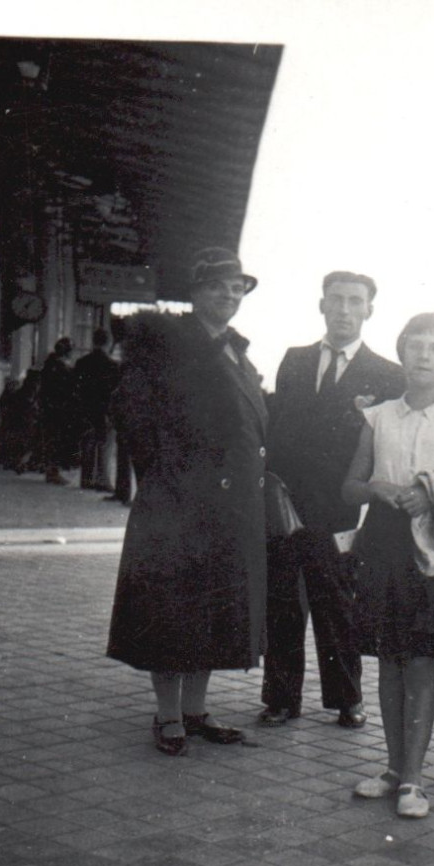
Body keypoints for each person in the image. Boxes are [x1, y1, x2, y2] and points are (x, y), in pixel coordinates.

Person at [106, 248, 268, 755]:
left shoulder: (234, 351)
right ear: (196, 292)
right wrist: (167, 476)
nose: (229, 295)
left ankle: (195, 711)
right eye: (218, 286)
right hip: (178, 503)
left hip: (227, 506)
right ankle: (169, 715)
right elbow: (132, 412)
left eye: (237, 287)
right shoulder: (169, 344)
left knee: (212, 608)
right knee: (171, 608)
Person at [342, 313, 434, 817]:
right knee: (387, 662)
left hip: (433, 552)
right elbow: (350, 485)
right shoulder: (378, 416)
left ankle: (413, 780)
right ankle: (391, 767)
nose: (424, 355)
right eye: (415, 345)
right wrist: (377, 489)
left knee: (420, 664)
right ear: (402, 353)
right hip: (383, 544)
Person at [260, 271, 405, 729]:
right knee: (282, 600)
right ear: (321, 305)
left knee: (338, 604)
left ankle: (347, 698)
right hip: (286, 504)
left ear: (369, 310)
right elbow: (278, 427)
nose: (344, 309)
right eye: (336, 300)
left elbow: (387, 449)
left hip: (343, 508)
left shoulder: (386, 373)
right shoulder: (295, 359)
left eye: (354, 301)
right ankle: (281, 699)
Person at [74, 328, 119, 491]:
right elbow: (114, 391)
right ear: (109, 343)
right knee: (105, 446)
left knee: (87, 444)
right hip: (104, 411)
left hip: (85, 409)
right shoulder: (112, 365)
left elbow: (75, 388)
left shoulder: (81, 363)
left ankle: (86, 479)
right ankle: (102, 479)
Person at [38, 337, 77, 485]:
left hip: (48, 407)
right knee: (56, 441)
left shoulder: (49, 365)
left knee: (50, 440)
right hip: (58, 409)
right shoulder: (62, 368)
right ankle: (53, 472)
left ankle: (50, 470)